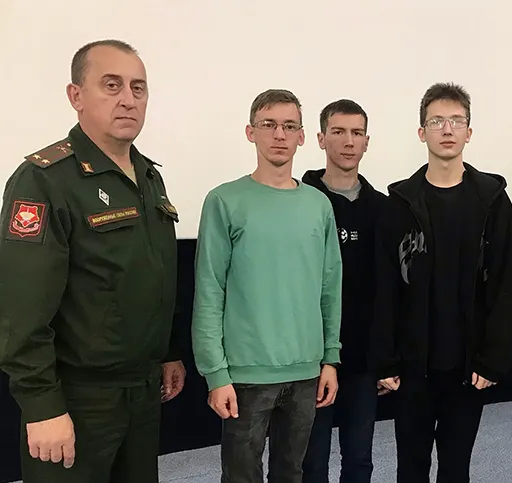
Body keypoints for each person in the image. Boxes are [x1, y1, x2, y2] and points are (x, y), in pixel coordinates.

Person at [0, 39, 186, 483]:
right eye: (112, 85)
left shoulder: (148, 176)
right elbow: (21, 309)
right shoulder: (44, 180)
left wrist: (168, 353)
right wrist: (42, 405)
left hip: (142, 391)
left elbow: (151, 276)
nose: (128, 99)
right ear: (76, 96)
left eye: (138, 88)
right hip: (78, 397)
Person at [370, 82, 512, 482]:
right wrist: (385, 359)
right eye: (437, 121)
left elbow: (504, 286)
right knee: (411, 467)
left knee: (456, 468)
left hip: (468, 367)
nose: (447, 129)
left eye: (457, 120)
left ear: (469, 132)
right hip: (412, 368)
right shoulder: (400, 204)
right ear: (422, 132)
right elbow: (385, 287)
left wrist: (493, 359)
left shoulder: (492, 201)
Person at [191, 89, 343, 483]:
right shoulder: (224, 201)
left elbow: (330, 288)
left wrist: (330, 358)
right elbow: (209, 290)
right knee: (241, 477)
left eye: (289, 126)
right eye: (269, 124)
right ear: (250, 132)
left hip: (306, 370)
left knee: (291, 473)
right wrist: (215, 373)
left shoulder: (318, 205)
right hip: (246, 374)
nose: (279, 134)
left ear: (302, 136)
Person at [301, 99, 386, 483]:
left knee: (359, 460)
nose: (348, 141)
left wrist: (386, 357)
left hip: (362, 359)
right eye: (338, 132)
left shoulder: (382, 209)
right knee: (310, 463)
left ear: (367, 141)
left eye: (356, 133)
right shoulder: (299, 200)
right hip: (308, 355)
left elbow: (388, 287)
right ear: (321, 139)